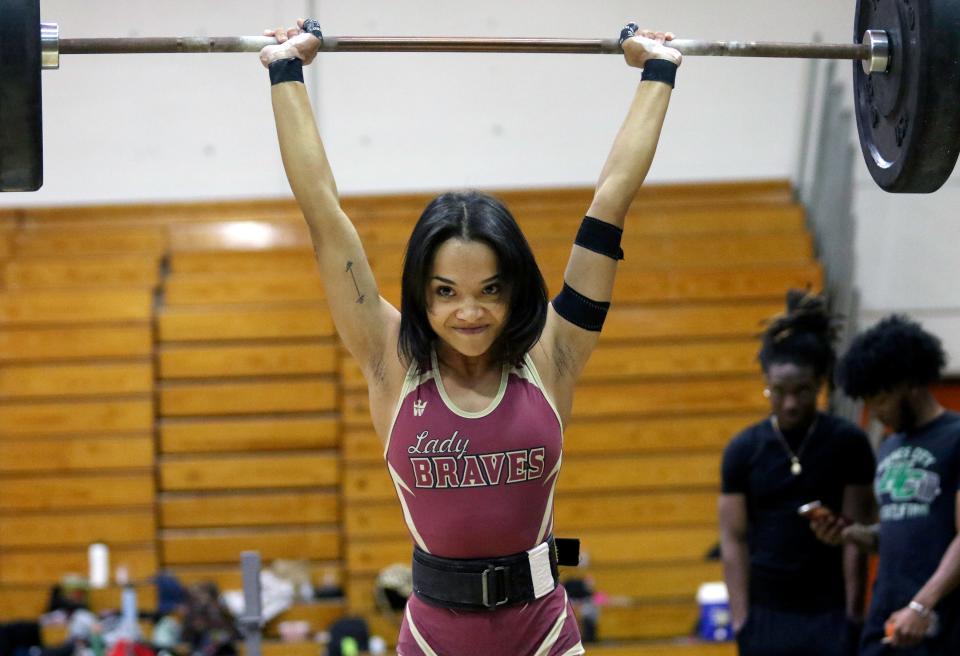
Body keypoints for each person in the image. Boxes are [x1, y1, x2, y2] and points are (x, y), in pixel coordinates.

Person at [258, 18, 681, 656]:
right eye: (446, 292)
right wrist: (285, 70)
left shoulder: (553, 354)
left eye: (490, 289)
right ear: (421, 294)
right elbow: (323, 214)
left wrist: (659, 71)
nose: (469, 312)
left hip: (544, 633)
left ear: (514, 289)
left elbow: (611, 201)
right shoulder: (388, 359)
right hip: (435, 637)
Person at [719, 290, 877, 656]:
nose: (790, 403)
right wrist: (742, 619)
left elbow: (857, 534)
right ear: (767, 385)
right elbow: (733, 538)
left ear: (820, 384)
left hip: (830, 612)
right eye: (779, 391)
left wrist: (854, 613)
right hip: (767, 612)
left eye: (803, 391)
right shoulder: (743, 449)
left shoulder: (848, 442)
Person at [814, 315, 960, 655]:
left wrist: (922, 605)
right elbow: (910, 527)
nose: (875, 412)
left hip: (940, 623)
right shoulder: (890, 445)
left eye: (880, 398)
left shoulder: (956, 437)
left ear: (910, 382)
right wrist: (856, 534)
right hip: (887, 620)